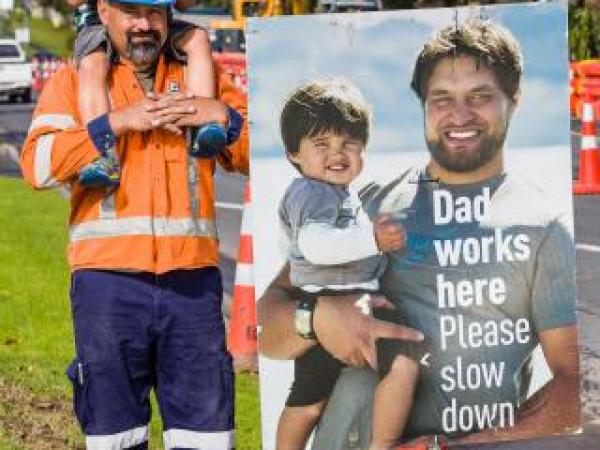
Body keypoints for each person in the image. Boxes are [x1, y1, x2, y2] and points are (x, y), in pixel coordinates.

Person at [258, 17, 580, 449]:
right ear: (423, 104)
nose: (459, 115)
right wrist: (315, 317)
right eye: (441, 98)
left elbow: (574, 390)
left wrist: (446, 447)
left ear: (514, 100)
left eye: (480, 96)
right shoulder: (369, 204)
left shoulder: (542, 228)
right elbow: (269, 331)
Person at [20, 0, 247, 447]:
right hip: (108, 286)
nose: (144, 25)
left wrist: (223, 118)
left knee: (209, 438)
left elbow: (257, 152)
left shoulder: (200, 74)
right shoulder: (74, 80)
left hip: (193, 287)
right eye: (131, 12)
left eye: (155, 13)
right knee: (115, 437)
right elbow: (37, 165)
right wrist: (116, 124)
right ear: (103, 12)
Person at [274, 78, 428, 450]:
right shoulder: (310, 193)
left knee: (401, 365)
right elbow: (315, 246)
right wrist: (372, 239)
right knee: (308, 404)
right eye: (322, 144)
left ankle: (382, 442)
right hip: (324, 313)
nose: (337, 153)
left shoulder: (338, 194)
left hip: (349, 302)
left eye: (349, 144)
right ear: (295, 152)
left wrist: (370, 286)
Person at [67, 0, 223, 188]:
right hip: (97, 27)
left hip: (161, 24)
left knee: (197, 39)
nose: (143, 25)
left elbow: (182, 5)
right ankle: (102, 155)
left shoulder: (151, 21)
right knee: (93, 62)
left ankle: (202, 126)